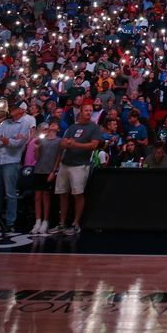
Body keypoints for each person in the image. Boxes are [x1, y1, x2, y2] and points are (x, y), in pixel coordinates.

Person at [51, 101, 101, 235]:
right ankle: (62, 223)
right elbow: (62, 142)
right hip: (65, 163)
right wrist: (67, 144)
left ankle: (76, 224)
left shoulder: (94, 128)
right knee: (63, 194)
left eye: (91, 110)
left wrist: (74, 144)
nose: (89, 112)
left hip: (80, 165)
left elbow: (93, 145)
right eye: (86, 110)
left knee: (78, 194)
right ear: (81, 112)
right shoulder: (72, 127)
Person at [0, 101, 35, 232]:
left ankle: (10, 222)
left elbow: (19, 143)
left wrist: (7, 140)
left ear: (21, 110)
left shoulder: (25, 124)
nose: (11, 109)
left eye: (14, 108)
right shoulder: (5, 123)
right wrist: (9, 140)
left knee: (10, 193)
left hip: (11, 161)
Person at [30, 121, 61, 235]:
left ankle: (45, 221)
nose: (52, 125)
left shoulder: (59, 141)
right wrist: (37, 147)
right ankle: (37, 221)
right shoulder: (42, 140)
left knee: (46, 197)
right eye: (51, 124)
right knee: (37, 196)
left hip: (49, 171)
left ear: (58, 128)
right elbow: (36, 157)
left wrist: (54, 171)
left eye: (55, 124)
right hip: (39, 170)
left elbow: (58, 157)